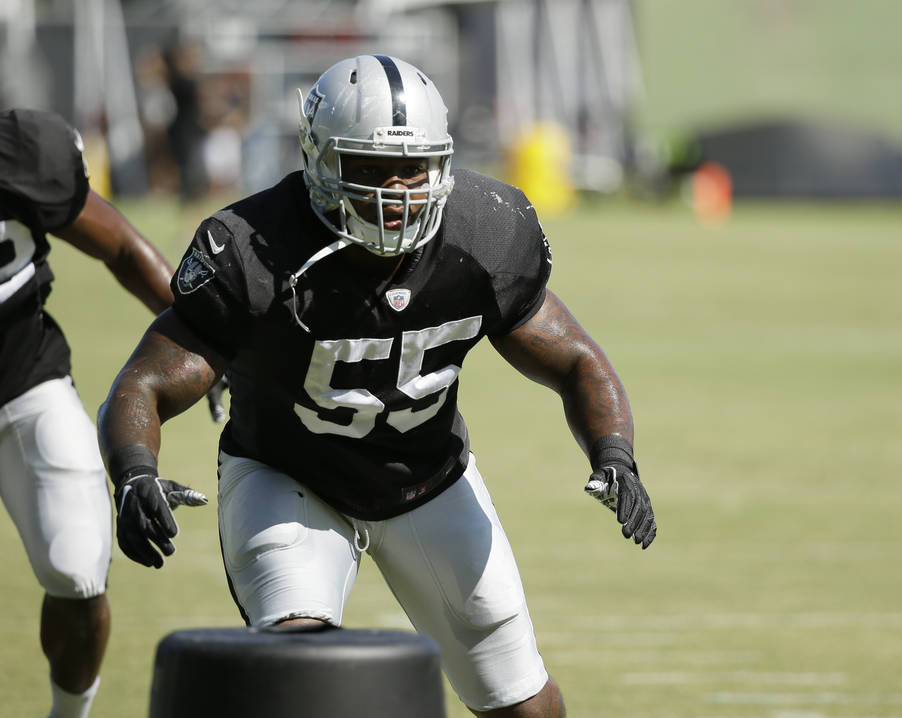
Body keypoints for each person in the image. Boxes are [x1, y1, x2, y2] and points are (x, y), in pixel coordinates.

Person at [97, 54, 656, 717]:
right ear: (320, 161)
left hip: (429, 479)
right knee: (299, 677)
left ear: (441, 164)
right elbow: (145, 382)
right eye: (368, 168)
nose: (396, 190)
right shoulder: (254, 247)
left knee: (524, 706)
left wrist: (614, 454)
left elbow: (576, 361)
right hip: (288, 478)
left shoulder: (485, 231)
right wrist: (134, 471)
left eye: (413, 168)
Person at [0, 107, 183, 718]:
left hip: (23, 385)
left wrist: (203, 341)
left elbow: (124, 247)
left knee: (78, 569)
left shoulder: (19, 154)